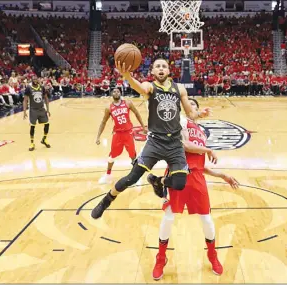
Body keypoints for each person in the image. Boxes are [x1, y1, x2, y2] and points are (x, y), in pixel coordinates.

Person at [91, 59, 211, 219]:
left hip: (175, 144)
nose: (161, 69)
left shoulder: (179, 89)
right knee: (131, 179)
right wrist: (127, 75)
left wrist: (199, 114)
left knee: (180, 183)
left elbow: (190, 113)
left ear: (169, 71)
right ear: (153, 72)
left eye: (164, 66)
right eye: (157, 67)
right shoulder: (150, 87)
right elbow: (138, 86)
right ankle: (106, 200)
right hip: (155, 142)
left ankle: (158, 181)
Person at [152, 98, 239, 280]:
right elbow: (184, 146)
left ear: (197, 109)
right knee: (168, 219)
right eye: (186, 104)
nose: (188, 106)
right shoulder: (178, 123)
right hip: (177, 174)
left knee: (207, 220)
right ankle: (161, 258)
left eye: (192, 104)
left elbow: (199, 165)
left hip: (197, 179)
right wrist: (207, 150)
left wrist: (222, 175)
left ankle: (212, 256)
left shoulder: (201, 133)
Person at [96, 87, 147, 184]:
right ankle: (108, 175)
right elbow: (103, 122)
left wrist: (143, 127)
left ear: (120, 93)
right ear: (112, 94)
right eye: (114, 91)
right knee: (112, 156)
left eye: (118, 91)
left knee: (133, 155)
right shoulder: (109, 108)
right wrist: (98, 136)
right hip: (117, 134)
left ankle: (135, 176)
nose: (116, 92)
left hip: (128, 133)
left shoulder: (128, 103)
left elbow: (136, 113)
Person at [23, 76, 51, 151]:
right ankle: (32, 143)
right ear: (31, 80)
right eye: (34, 79)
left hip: (41, 109)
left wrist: (48, 109)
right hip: (33, 110)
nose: (35, 80)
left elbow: (46, 98)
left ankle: (44, 139)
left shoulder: (42, 87)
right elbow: (25, 100)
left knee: (47, 123)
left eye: (36, 79)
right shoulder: (28, 88)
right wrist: (24, 112)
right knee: (32, 126)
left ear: (38, 80)